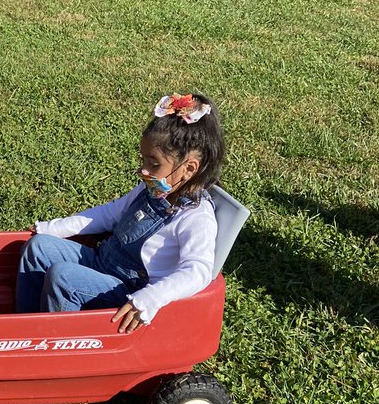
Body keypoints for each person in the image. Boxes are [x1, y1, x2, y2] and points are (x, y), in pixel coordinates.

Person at [15, 93, 225, 331]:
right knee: (39, 247)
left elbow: (197, 270)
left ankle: (59, 347)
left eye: (154, 165)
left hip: (129, 290)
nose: (144, 171)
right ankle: (26, 330)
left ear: (188, 169)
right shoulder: (153, 190)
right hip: (103, 262)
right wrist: (51, 228)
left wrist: (150, 299)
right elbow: (109, 214)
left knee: (63, 277)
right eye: (144, 161)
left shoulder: (195, 217)